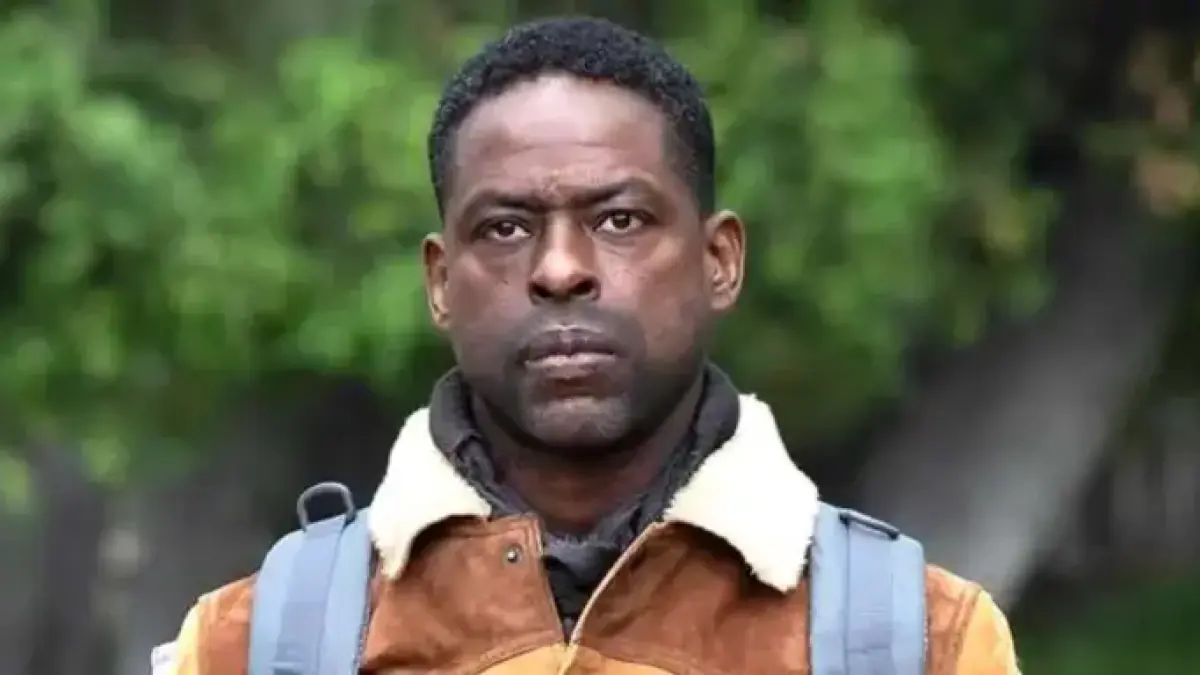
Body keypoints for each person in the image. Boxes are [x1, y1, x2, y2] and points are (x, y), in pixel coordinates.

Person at [165, 16, 1020, 675]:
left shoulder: (921, 640)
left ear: (719, 260)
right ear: (440, 281)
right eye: (505, 227)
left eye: (619, 219)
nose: (561, 269)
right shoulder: (254, 642)